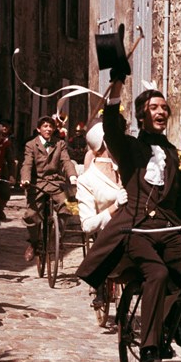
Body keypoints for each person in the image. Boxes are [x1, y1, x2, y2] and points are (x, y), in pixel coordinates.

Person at [76, 83, 181, 362]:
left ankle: (172, 323)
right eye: (154, 108)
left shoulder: (175, 154)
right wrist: (115, 89)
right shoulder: (128, 148)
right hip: (137, 229)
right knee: (158, 273)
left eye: (164, 108)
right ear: (142, 116)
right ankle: (150, 349)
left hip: (169, 229)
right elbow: (111, 127)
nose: (161, 111)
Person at [75, 121, 128, 307]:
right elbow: (88, 225)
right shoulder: (87, 180)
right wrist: (113, 208)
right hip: (107, 231)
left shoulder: (125, 168)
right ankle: (100, 287)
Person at [20, 115, 77, 262]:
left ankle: (55, 238)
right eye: (45, 126)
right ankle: (34, 242)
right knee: (31, 215)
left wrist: (72, 176)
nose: (48, 129)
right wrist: (25, 179)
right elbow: (27, 164)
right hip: (37, 184)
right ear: (38, 129)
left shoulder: (60, 144)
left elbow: (66, 161)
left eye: (51, 126)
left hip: (56, 183)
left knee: (70, 207)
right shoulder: (31, 144)